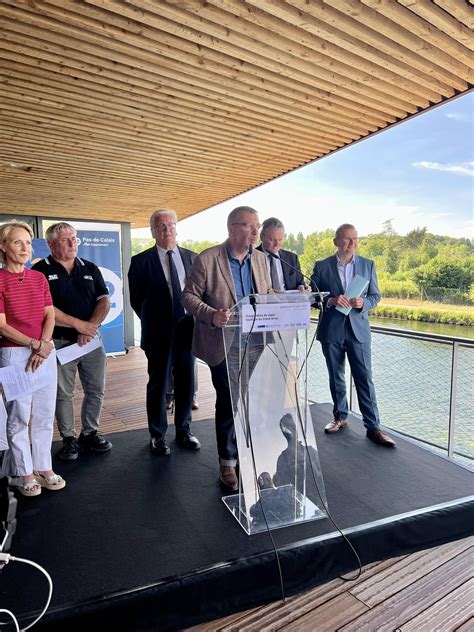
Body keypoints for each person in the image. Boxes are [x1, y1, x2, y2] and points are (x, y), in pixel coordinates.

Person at [182, 206, 271, 491]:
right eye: (249, 226)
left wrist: (290, 299)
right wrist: (211, 314)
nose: (256, 231)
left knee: (253, 402)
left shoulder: (261, 260)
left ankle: (255, 457)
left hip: (257, 341)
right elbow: (188, 296)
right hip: (223, 343)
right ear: (232, 229)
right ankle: (228, 462)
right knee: (230, 402)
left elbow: (265, 295)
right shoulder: (208, 259)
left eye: (257, 225)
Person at [33, 222, 113, 461]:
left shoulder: (89, 267)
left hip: (91, 342)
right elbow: (45, 309)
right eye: (66, 239)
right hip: (59, 342)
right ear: (50, 243)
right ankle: (69, 438)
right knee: (62, 393)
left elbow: (104, 300)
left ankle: (89, 433)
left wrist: (91, 327)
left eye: (74, 239)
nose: (72, 243)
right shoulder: (40, 272)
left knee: (96, 389)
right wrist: (79, 325)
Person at [311, 224, 395, 447]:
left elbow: (375, 296)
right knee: (336, 376)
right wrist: (330, 300)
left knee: (364, 378)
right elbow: (312, 297)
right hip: (332, 330)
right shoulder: (321, 266)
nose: (352, 244)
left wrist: (363, 302)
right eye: (347, 239)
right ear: (336, 241)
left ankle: (374, 427)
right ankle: (340, 417)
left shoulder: (368, 265)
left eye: (355, 239)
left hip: (358, 330)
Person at [0, 220, 65, 496]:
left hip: (43, 351)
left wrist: (45, 344)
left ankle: (43, 466)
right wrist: (35, 344)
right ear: (3, 246)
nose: (25, 248)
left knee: (43, 414)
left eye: (28, 242)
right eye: (17, 242)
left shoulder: (38, 278)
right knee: (18, 417)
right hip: (15, 353)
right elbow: (1, 325)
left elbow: (49, 314)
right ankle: (24, 471)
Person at [128, 209, 200, 455]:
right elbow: (136, 300)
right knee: (158, 384)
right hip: (158, 334)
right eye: (160, 226)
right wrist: (156, 321)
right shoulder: (140, 261)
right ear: (152, 232)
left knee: (186, 382)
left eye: (170, 225)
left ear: (176, 228)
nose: (166, 229)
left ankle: (184, 430)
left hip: (188, 330)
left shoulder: (192, 258)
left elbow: (200, 293)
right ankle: (157, 435)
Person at [257, 217, 306, 291]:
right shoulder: (251, 257)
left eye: (280, 239)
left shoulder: (292, 258)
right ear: (261, 237)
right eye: (272, 239)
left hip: (289, 301)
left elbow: (300, 283)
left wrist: (302, 287)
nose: (277, 244)